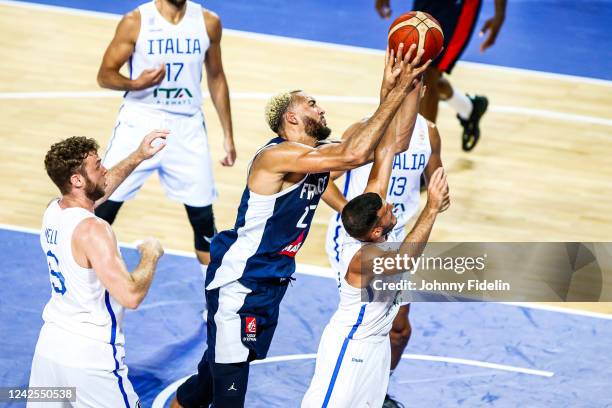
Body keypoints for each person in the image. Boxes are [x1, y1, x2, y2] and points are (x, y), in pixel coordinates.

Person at [170, 45, 430, 408]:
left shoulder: (315, 159)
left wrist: (398, 89)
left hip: (269, 287)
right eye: (311, 103)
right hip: (238, 285)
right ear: (290, 118)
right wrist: (397, 89)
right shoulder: (275, 156)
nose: (321, 108)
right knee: (230, 396)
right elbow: (353, 154)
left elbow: (391, 145)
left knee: (208, 382)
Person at [301, 87, 450, 406]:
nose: (390, 205)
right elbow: (404, 259)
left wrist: (404, 82)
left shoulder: (425, 137)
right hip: (352, 343)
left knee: (397, 329)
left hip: (376, 343)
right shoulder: (365, 255)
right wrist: (431, 208)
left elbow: (388, 154)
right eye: (385, 209)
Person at [95, 0, 236, 278]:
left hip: (186, 126)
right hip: (140, 120)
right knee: (102, 206)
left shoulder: (208, 22)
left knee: (203, 221)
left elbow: (217, 76)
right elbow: (105, 75)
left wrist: (228, 135)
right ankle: (85, 286)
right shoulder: (136, 21)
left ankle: (212, 301)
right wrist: (136, 84)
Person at [29, 131, 167, 407]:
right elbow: (131, 296)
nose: (104, 169)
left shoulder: (53, 210)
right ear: (77, 180)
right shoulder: (94, 230)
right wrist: (150, 255)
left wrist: (139, 155)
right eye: (98, 165)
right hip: (90, 357)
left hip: (50, 349)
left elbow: (100, 190)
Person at [376, 0, 507, 151]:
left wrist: (500, 13)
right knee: (416, 69)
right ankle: (468, 108)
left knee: (428, 73)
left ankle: (424, 156)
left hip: (459, 5)